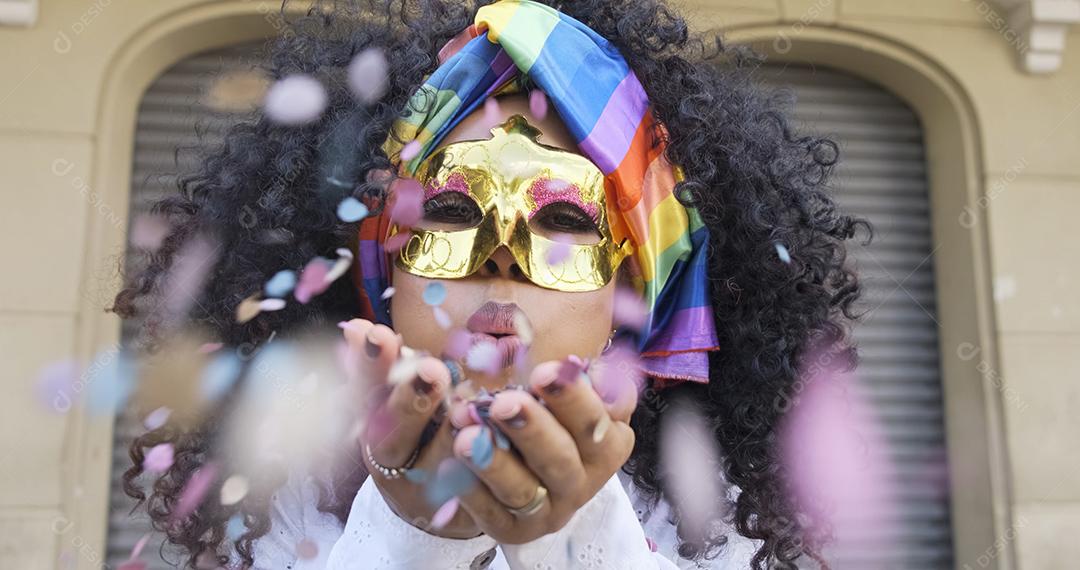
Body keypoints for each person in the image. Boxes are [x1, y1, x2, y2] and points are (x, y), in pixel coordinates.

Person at [111, 0, 864, 568]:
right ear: (387, 273)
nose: (499, 257)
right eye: (450, 210)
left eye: (564, 218)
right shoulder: (280, 504)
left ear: (633, 290)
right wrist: (410, 535)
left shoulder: (711, 529)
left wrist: (576, 540)